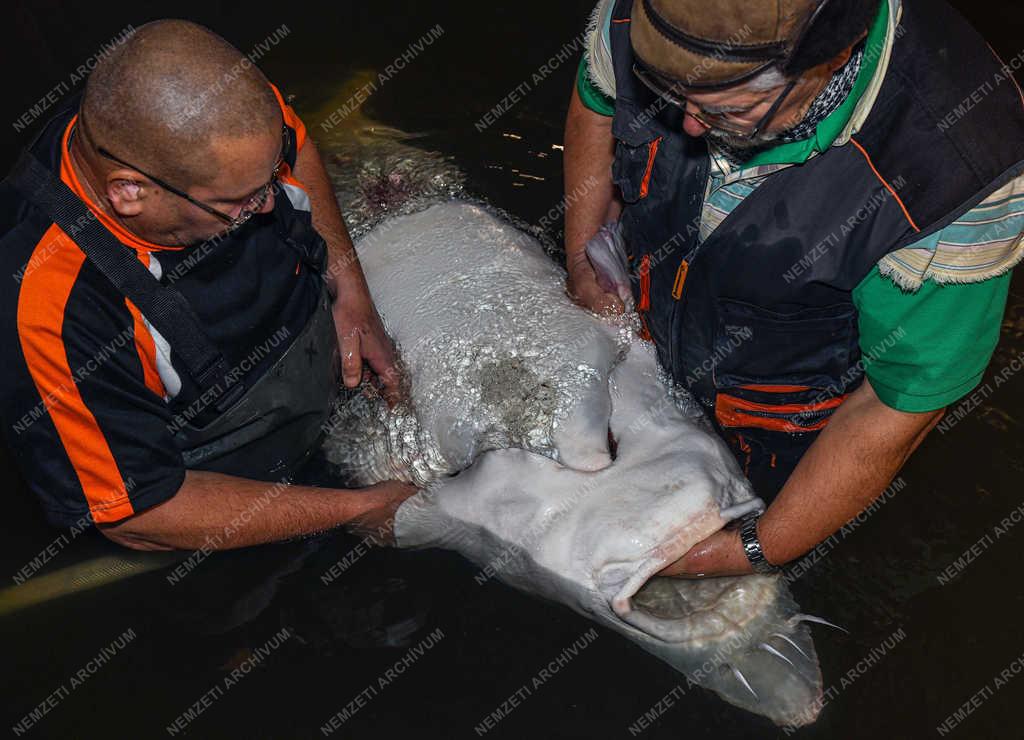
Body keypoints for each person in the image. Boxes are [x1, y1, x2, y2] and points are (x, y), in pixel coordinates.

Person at [565, 0, 1024, 576]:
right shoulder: (657, 13)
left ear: (831, 61)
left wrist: (752, 549)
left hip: (783, 424)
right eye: (667, 87)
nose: (687, 124)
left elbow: (898, 402)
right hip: (648, 336)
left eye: (730, 107)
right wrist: (586, 263)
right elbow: (599, 103)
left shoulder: (958, 172)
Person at [0, 20, 416, 551]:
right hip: (216, 503)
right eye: (240, 201)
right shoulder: (51, 305)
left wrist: (349, 288)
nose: (270, 203)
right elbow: (142, 513)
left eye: (271, 177)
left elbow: (298, 144)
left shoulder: (224, 126)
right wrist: (360, 508)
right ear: (130, 193)